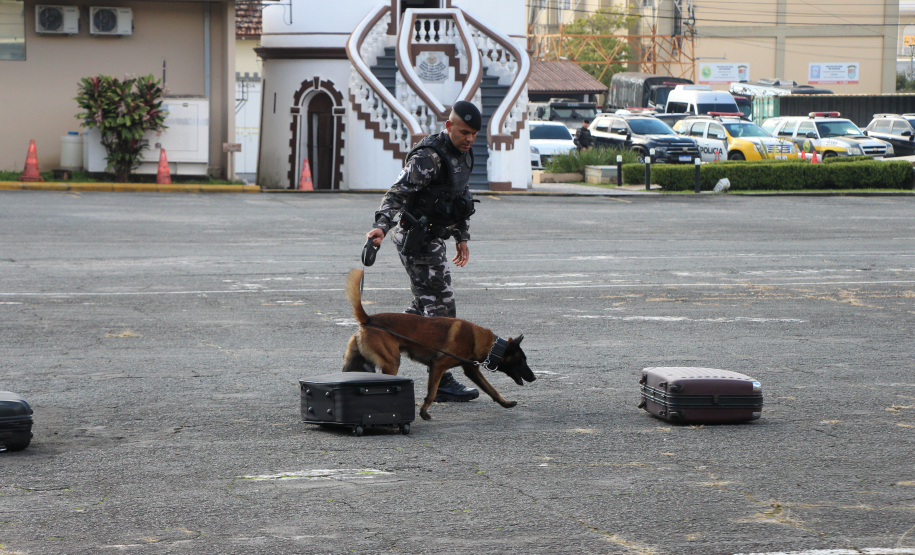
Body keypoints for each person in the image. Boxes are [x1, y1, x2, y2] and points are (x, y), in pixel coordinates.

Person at [363, 100, 482, 402]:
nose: (469, 139)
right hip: (416, 240)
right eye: (464, 132)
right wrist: (381, 226)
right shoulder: (429, 157)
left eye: (474, 134)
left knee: (422, 305)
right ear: (449, 126)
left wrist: (461, 236)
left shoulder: (463, 155)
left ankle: (373, 342)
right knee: (442, 308)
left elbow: (460, 197)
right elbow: (398, 193)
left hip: (434, 238)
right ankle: (442, 381)